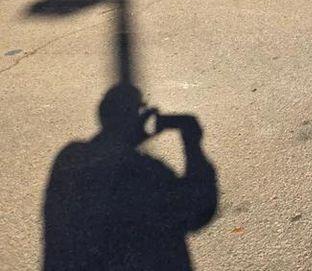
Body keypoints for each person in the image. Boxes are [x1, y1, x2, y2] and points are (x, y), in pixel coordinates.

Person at [42, 83, 218, 271]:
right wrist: (192, 141)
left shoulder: (70, 157)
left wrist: (126, 137)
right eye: (140, 107)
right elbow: (200, 210)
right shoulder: (147, 172)